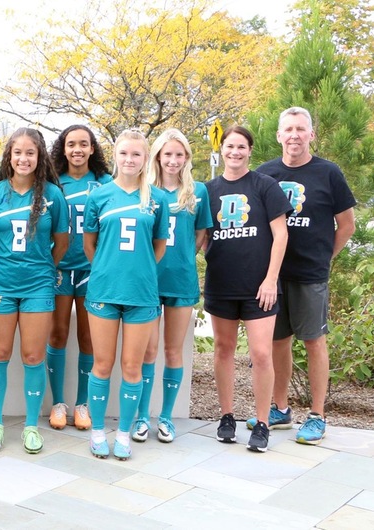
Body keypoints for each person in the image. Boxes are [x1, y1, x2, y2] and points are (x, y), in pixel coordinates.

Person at [252, 107, 357, 446]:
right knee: (277, 341)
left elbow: (348, 224)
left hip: (309, 274)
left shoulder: (328, 173)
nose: (294, 135)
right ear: (279, 136)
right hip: (272, 275)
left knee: (313, 341)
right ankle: (280, 409)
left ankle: (317, 415)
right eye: (288, 129)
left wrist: (325, 258)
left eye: (301, 129)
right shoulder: (265, 174)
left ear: (311, 135)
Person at [0, 128, 69, 454]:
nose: (24, 158)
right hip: (0, 283)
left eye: (30, 152)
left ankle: (31, 425)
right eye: (18, 152)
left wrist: (41, 265)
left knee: (33, 356)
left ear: (40, 156)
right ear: (9, 156)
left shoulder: (53, 197)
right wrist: (7, 263)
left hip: (38, 284)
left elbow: (61, 243)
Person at [81, 130, 169, 461]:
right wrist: (109, 269)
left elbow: (158, 248)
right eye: (124, 154)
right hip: (104, 289)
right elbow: (90, 245)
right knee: (102, 364)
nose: (129, 160)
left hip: (142, 294)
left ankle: (124, 433)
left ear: (146, 159)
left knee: (133, 366)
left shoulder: (156, 199)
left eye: (136, 154)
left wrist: (138, 270)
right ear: (115, 156)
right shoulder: (99, 196)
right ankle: (97, 431)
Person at [204, 126, 291, 453]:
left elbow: (281, 236)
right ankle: (226, 417)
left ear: (250, 150)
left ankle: (262, 423)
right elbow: (200, 237)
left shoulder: (265, 186)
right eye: (230, 146)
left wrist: (270, 280)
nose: (235, 152)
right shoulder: (208, 189)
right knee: (223, 350)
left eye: (241, 146)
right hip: (222, 284)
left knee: (261, 353)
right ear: (222, 149)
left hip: (260, 288)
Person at [133, 129, 211, 444]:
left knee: (173, 350)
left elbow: (201, 234)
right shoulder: (146, 192)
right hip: (148, 282)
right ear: (158, 157)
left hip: (181, 280)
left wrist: (181, 260)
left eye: (179, 155)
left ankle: (165, 417)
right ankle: (141, 417)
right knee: (148, 351)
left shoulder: (198, 192)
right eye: (168, 154)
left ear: (187, 159)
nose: (174, 160)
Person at [46, 125, 112, 431]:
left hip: (92, 270)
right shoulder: (53, 182)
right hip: (59, 268)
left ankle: (82, 405)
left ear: (92, 149)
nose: (77, 150)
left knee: (88, 337)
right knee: (57, 333)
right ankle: (58, 403)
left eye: (83, 144)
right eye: (71, 144)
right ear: (63, 148)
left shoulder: (104, 183)